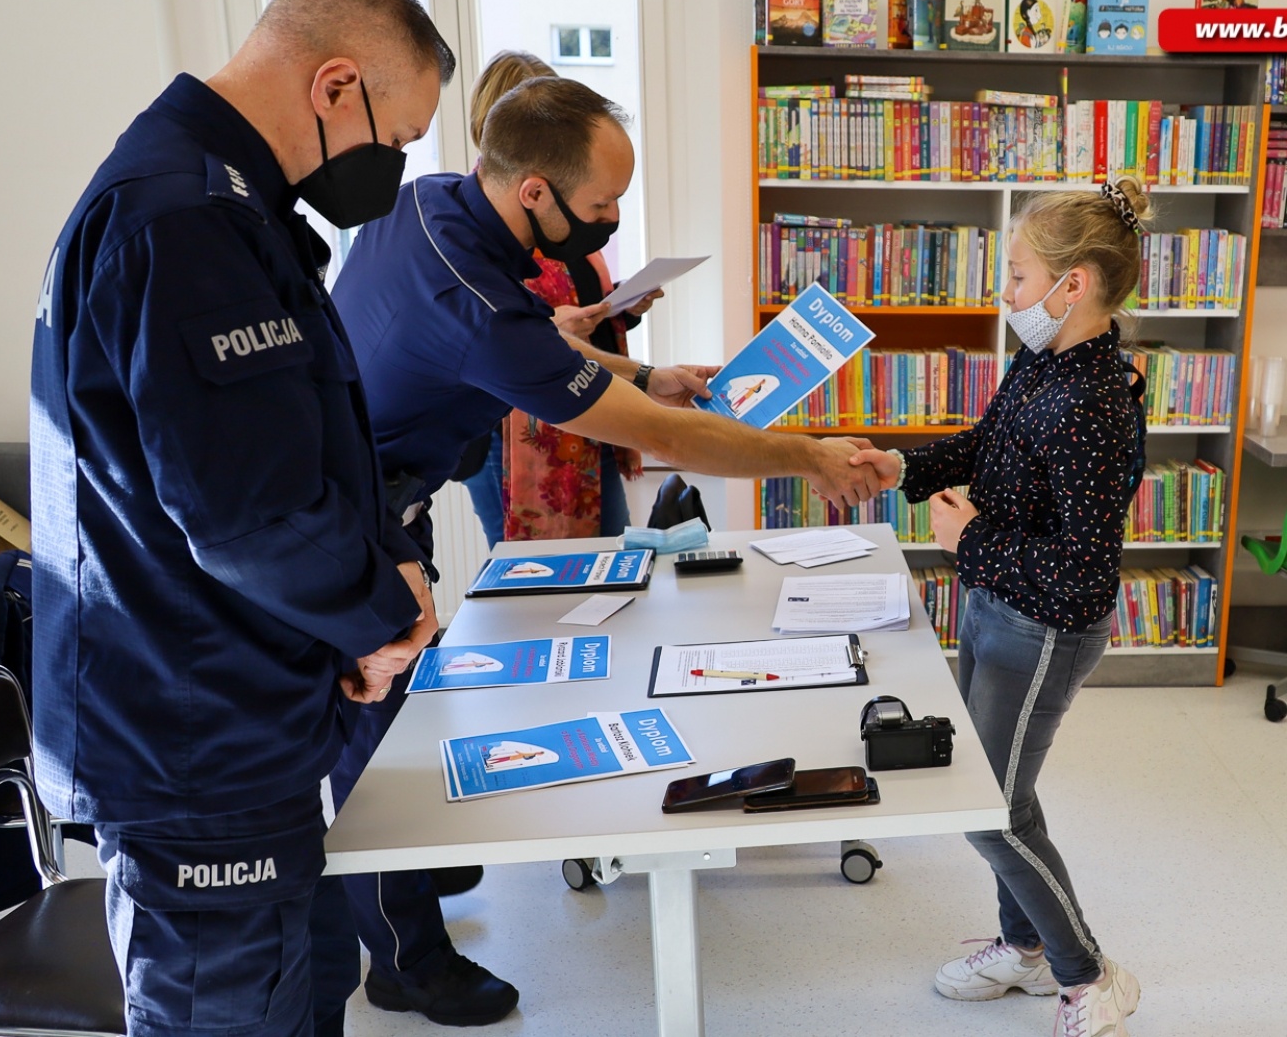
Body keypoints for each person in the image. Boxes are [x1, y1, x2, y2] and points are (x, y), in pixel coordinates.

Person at [326, 74, 880, 1027]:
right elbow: (672, 437)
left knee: (409, 712)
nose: (611, 221)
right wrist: (807, 456)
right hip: (351, 516)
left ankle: (410, 876)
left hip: (384, 497)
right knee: (371, 748)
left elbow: (546, 340)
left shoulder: (433, 206)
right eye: (599, 205)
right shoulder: (474, 301)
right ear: (534, 189)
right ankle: (404, 958)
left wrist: (647, 370)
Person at [25, 0, 492, 1034]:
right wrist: (384, 616)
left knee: (305, 987)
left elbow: (285, 448)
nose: (400, 166)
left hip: (238, 720)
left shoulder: (226, 203)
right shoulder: (184, 219)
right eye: (401, 134)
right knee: (232, 1010)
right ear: (336, 84)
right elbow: (250, 510)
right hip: (193, 743)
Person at [850, 179, 1151, 1036]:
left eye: (1018, 277)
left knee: (989, 803)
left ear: (1075, 284)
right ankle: (1023, 948)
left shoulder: (1093, 403)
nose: (1006, 294)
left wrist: (971, 540)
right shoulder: (1044, 361)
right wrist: (904, 467)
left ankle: (1088, 973)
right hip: (995, 601)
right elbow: (987, 443)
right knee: (1003, 789)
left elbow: (1083, 574)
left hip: (1043, 627)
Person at [457, 51, 660, 546]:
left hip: (587, 413)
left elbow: (581, 304)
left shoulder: (564, 219)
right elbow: (496, 333)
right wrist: (553, 331)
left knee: (608, 563)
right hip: (510, 435)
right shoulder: (486, 230)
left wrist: (620, 307)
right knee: (530, 582)